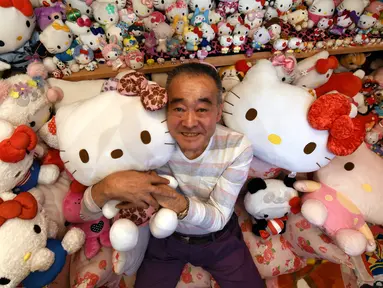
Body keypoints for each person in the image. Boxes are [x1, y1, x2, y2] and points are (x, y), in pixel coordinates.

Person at [81, 63, 264, 287]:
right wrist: (108, 186)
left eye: (202, 109)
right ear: (165, 108)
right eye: (179, 108)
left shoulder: (237, 147)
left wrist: (172, 200)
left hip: (220, 241)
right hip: (165, 240)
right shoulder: (147, 142)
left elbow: (218, 217)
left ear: (218, 111)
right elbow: (84, 213)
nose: (189, 122)